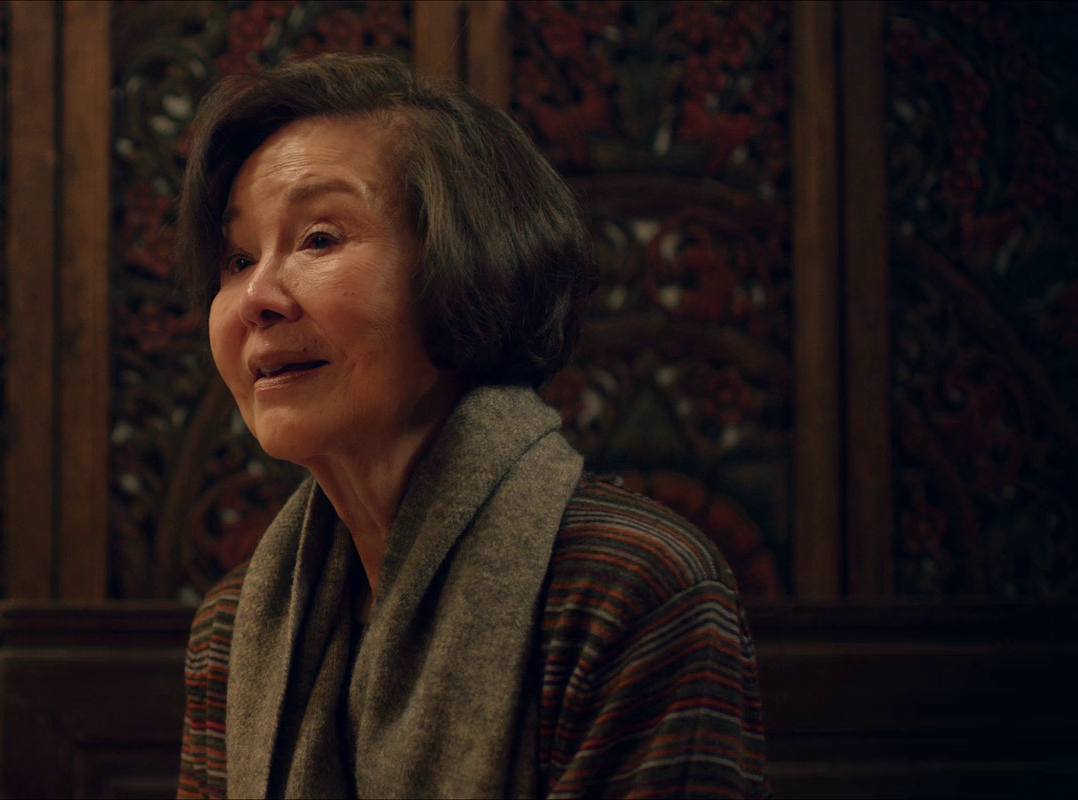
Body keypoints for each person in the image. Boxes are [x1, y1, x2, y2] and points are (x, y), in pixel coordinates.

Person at [172, 54, 768, 799]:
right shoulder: (235, 627)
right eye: (236, 258)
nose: (256, 296)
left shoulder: (633, 593)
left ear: (467, 271)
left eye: (319, 238)